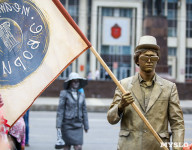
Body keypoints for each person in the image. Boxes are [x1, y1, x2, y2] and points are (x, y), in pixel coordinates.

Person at [107, 35, 185, 150]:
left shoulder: (169, 87)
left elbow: (177, 123)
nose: (149, 61)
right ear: (137, 60)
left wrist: (177, 148)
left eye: (153, 58)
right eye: (145, 57)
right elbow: (111, 119)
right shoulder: (123, 85)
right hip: (129, 146)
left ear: (157, 60)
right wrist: (121, 106)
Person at [55, 72, 89, 150]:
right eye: (74, 81)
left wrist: (86, 125)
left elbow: (84, 111)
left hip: (78, 125)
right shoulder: (64, 94)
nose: (76, 83)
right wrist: (58, 126)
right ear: (70, 82)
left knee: (78, 147)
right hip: (67, 124)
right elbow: (60, 110)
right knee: (67, 147)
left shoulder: (82, 95)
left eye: (78, 81)